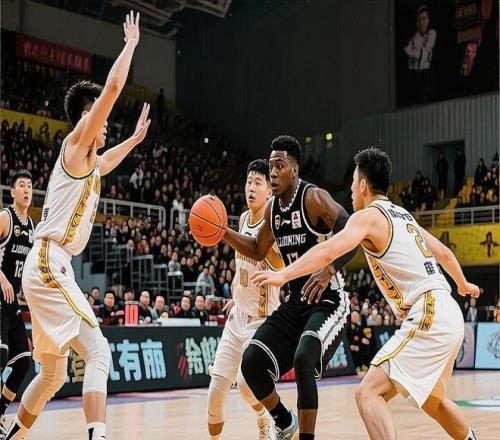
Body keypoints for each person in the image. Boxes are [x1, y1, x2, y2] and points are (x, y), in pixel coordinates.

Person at [253, 147, 480, 440]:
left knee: (368, 393)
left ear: (362, 185)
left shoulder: (368, 216)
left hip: (429, 312)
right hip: (449, 310)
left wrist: (284, 274)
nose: (350, 192)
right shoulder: (403, 216)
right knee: (433, 400)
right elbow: (445, 254)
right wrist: (463, 284)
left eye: (352, 184)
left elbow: (328, 250)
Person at [4, 12, 150, 440]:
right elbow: (113, 88)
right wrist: (130, 46)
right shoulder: (75, 143)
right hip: (50, 262)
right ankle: (97, 436)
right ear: (89, 116)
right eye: (101, 117)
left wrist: (133, 141)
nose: (106, 125)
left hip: (46, 265)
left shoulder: (88, 161)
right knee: (98, 351)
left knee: (52, 375)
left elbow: (106, 161)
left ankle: (13, 436)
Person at [223, 136, 355, 439]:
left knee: (303, 357)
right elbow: (257, 249)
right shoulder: (272, 210)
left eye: (279, 165)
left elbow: (351, 230)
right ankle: (285, 422)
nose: (273, 172)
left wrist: (330, 268)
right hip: (296, 301)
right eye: (271, 166)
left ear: (294, 169)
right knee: (251, 362)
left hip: (329, 300)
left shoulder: (313, 198)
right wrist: (223, 232)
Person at [207, 159, 284, 440]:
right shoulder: (242, 219)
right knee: (215, 392)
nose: (251, 187)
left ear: (270, 192)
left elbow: (276, 265)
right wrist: (236, 294)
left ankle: (264, 417)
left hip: (263, 320)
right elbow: (242, 267)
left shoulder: (274, 227)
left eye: (258, 183)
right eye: (249, 181)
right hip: (238, 315)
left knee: (245, 384)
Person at [0, 171, 35, 436]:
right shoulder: (5, 217)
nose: (26, 189)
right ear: (12, 192)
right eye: (21, 185)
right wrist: (2, 278)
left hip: (14, 305)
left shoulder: (31, 226)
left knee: (23, 363)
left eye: (29, 186)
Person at [404, 5, 437, 103]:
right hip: (414, 75)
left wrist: (413, 53)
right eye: (418, 20)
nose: (421, 23)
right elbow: (407, 51)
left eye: (424, 19)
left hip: (426, 74)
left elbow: (424, 53)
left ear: (428, 20)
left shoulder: (432, 33)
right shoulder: (415, 37)